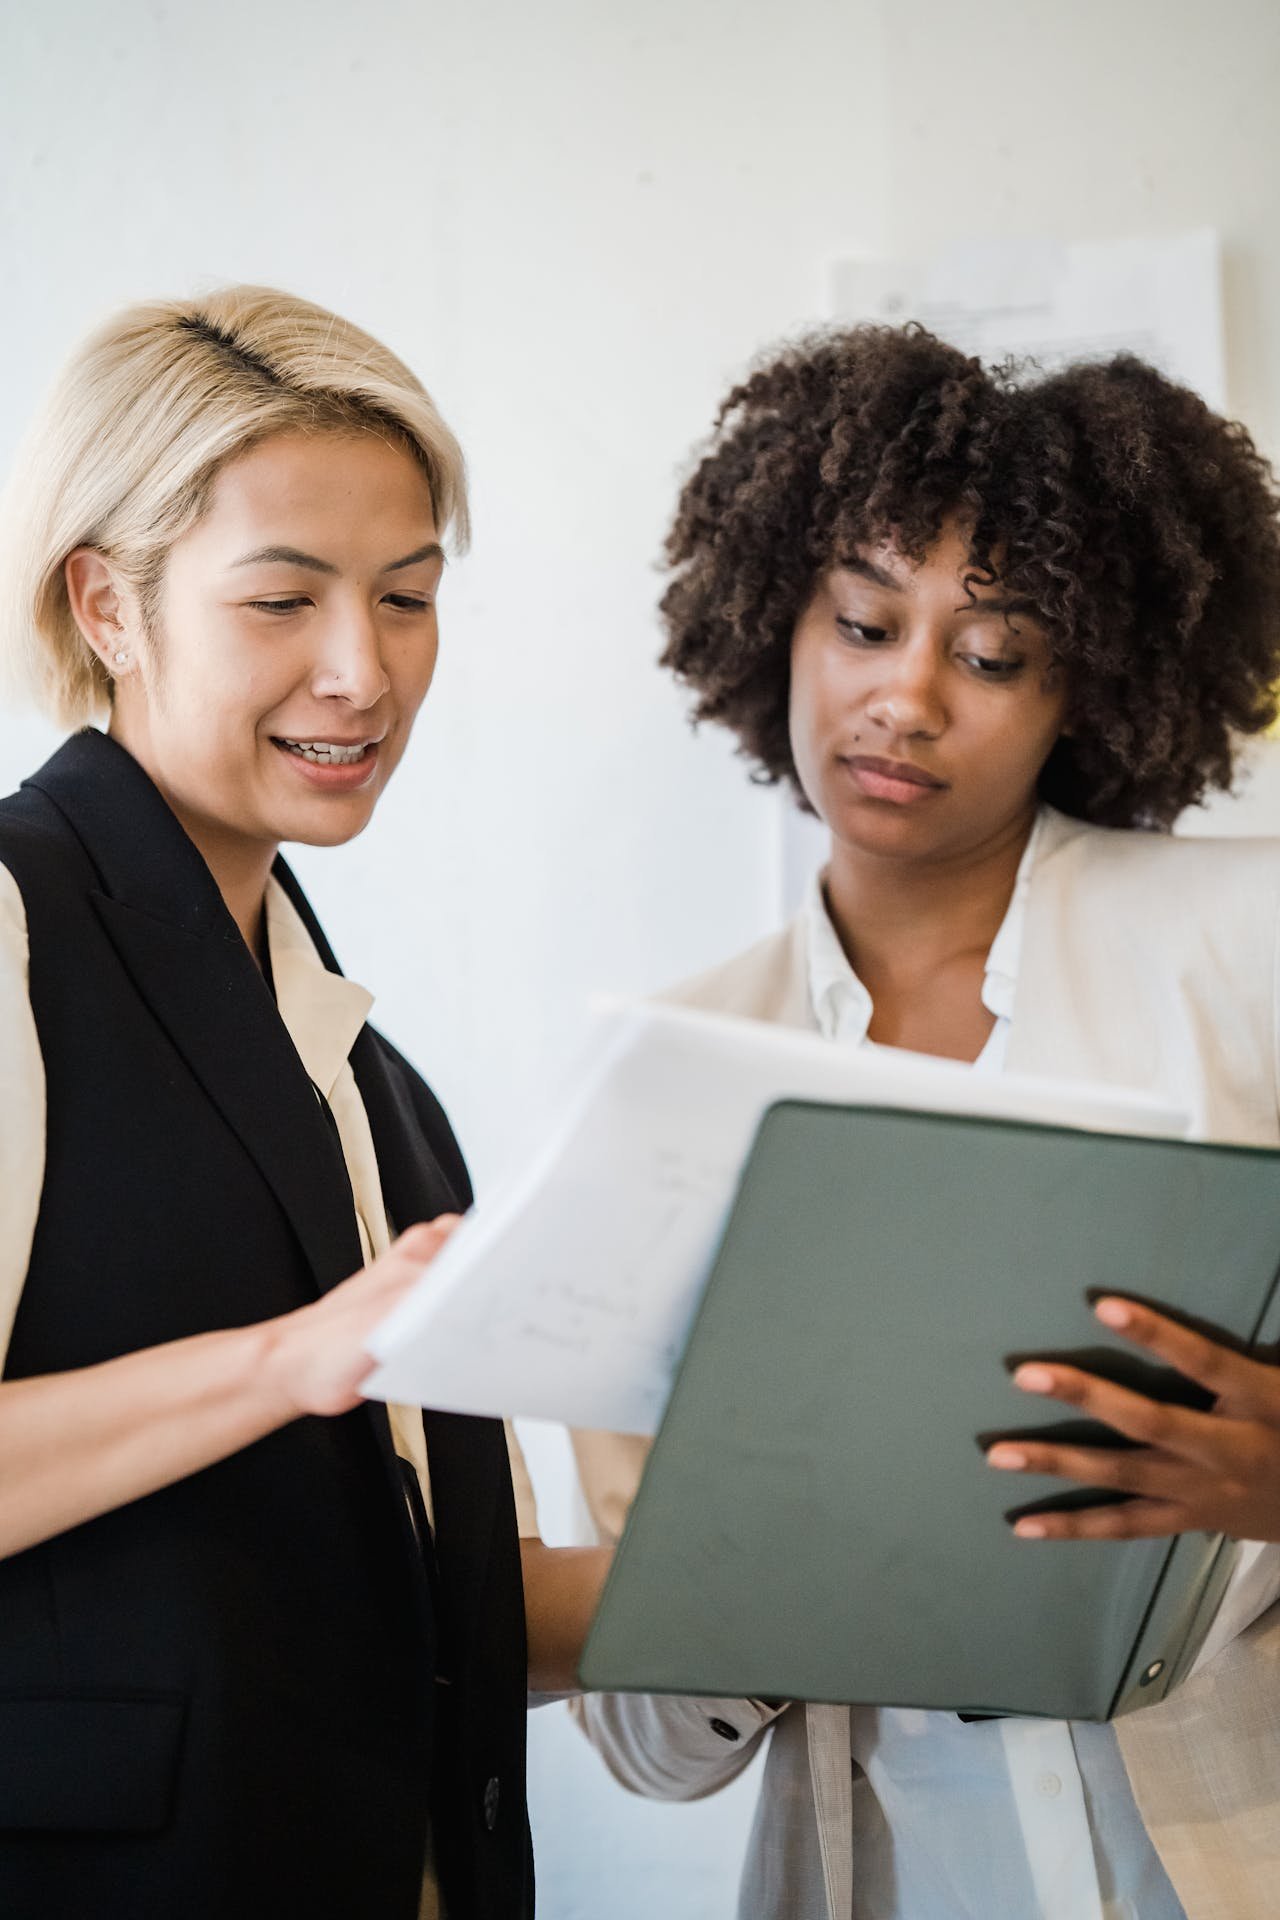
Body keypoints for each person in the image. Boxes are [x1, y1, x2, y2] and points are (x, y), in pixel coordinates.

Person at [571, 326, 1280, 1920]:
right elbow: (644, 1745)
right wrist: (752, 1583)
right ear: (776, 624)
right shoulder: (670, 1076)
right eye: (864, 623)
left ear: (1087, 687)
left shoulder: (1253, 952)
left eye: (995, 652)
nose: (906, 697)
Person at [0, 286, 606, 1920]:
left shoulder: (373, 1083)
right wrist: (284, 1363)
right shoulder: (10, 925)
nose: (363, 670)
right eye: (283, 599)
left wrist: (808, 1573)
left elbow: (431, 1611)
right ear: (108, 607)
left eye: (408, 598)